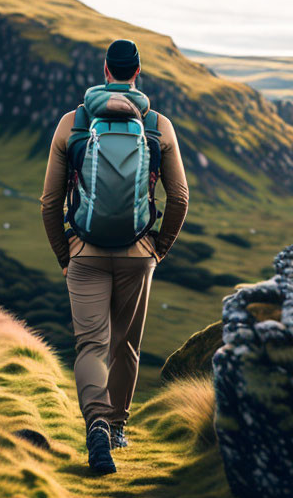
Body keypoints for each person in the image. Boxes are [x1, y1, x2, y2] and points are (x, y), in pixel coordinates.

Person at [40, 39, 189, 474]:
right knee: (126, 346)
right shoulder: (159, 125)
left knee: (90, 345)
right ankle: (119, 428)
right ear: (136, 73)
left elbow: (49, 202)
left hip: (83, 251)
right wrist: (157, 249)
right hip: (138, 251)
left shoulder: (74, 122)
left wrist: (64, 254)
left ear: (106, 71)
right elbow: (178, 198)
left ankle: (96, 429)